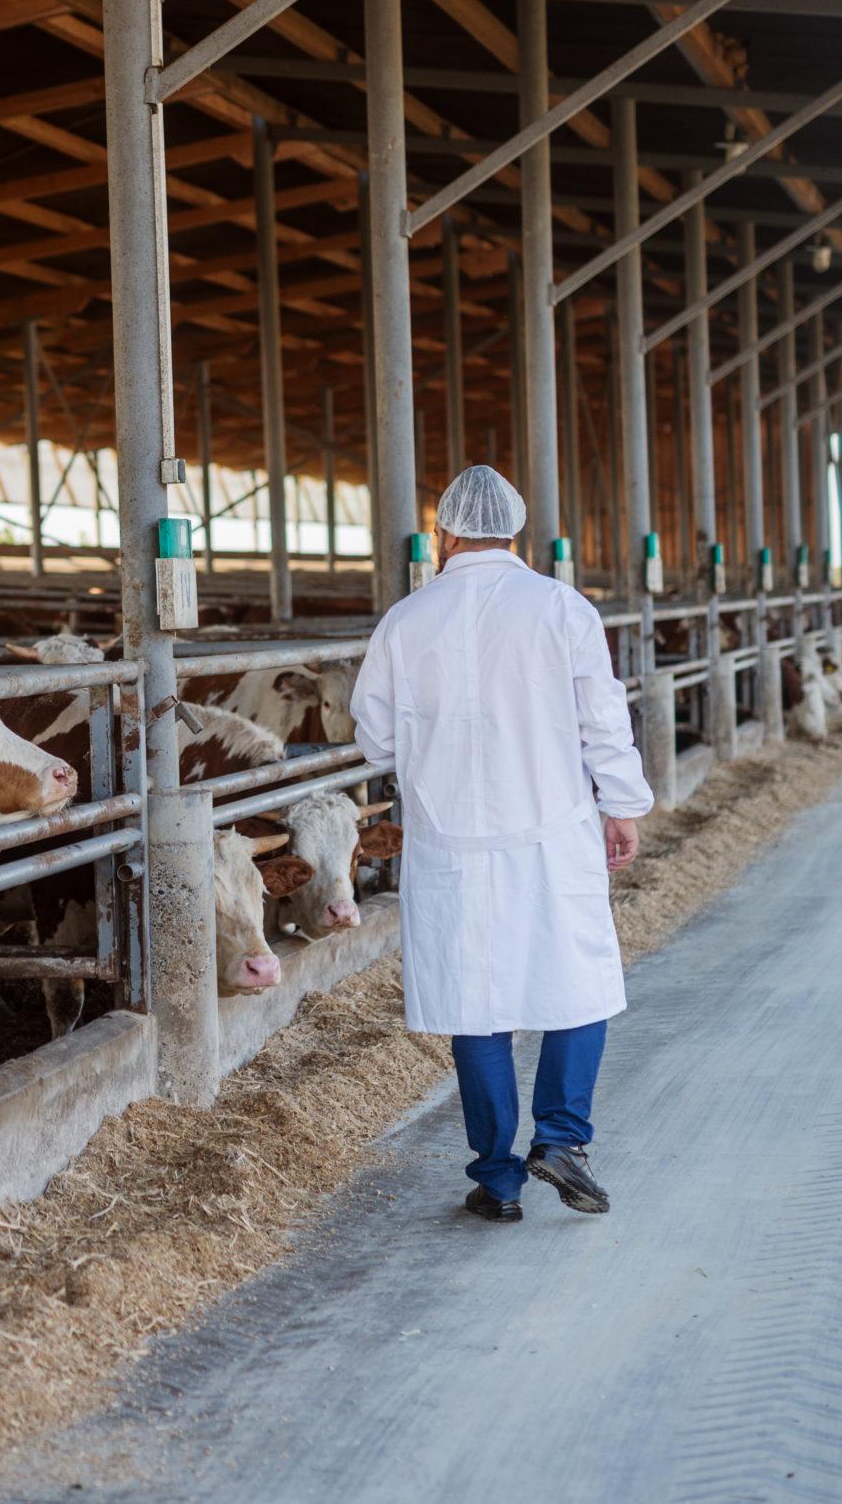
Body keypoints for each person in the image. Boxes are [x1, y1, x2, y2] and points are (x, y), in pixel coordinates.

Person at [350, 465, 653, 1223]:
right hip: (552, 828)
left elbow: (375, 739)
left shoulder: (406, 620)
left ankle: (499, 1177)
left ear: (443, 531)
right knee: (579, 978)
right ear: (514, 529)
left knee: (473, 1000)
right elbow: (603, 720)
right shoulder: (562, 608)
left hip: (450, 842)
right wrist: (623, 804)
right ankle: (561, 1138)